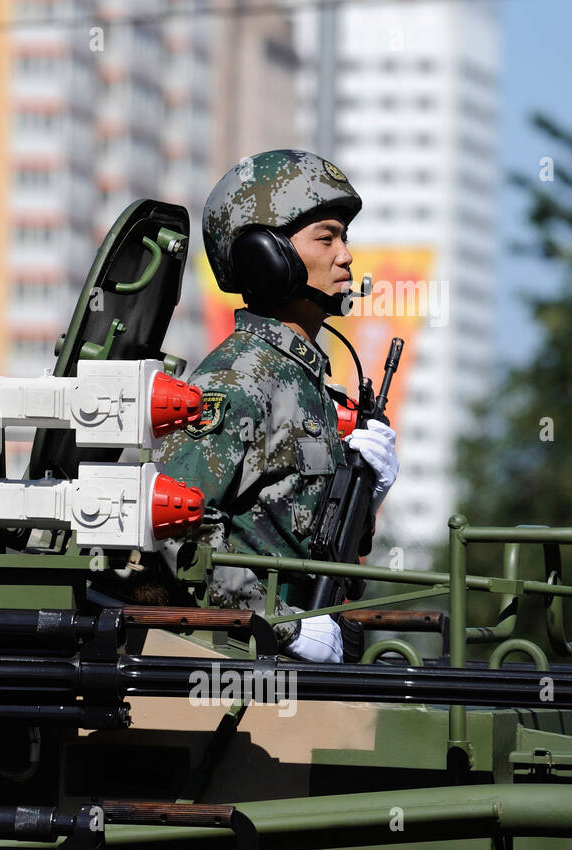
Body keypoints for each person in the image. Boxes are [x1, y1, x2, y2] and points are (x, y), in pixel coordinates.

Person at [154, 149, 399, 662]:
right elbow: (174, 526)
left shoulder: (304, 380)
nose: (346, 255)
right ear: (267, 257)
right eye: (326, 238)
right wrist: (282, 626)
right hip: (243, 669)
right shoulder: (238, 382)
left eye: (345, 238)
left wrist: (366, 498)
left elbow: (302, 537)